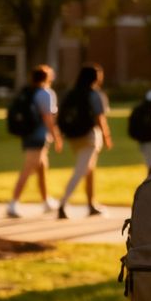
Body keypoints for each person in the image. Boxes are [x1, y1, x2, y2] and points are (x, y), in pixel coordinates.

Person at [56, 63, 113, 219]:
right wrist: (107, 137)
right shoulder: (94, 94)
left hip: (73, 136)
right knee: (81, 170)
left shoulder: (71, 93)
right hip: (89, 136)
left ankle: (91, 204)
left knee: (89, 170)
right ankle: (62, 204)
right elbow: (100, 118)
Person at [6, 65, 63, 217]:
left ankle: (46, 201)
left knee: (42, 167)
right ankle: (13, 203)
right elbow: (48, 118)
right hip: (38, 136)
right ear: (47, 78)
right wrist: (57, 137)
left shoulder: (28, 92)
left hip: (29, 134)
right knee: (28, 169)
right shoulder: (46, 94)